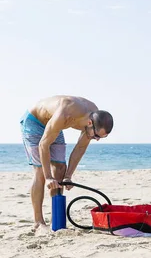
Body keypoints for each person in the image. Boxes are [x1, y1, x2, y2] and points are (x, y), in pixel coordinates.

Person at [20, 95, 113, 232]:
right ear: (89, 123)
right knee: (40, 172)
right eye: (96, 136)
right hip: (34, 122)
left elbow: (80, 148)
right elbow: (43, 145)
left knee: (60, 168)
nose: (96, 139)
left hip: (53, 126)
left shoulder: (95, 116)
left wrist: (68, 176)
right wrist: (48, 178)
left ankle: (55, 220)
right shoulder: (65, 114)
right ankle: (38, 222)